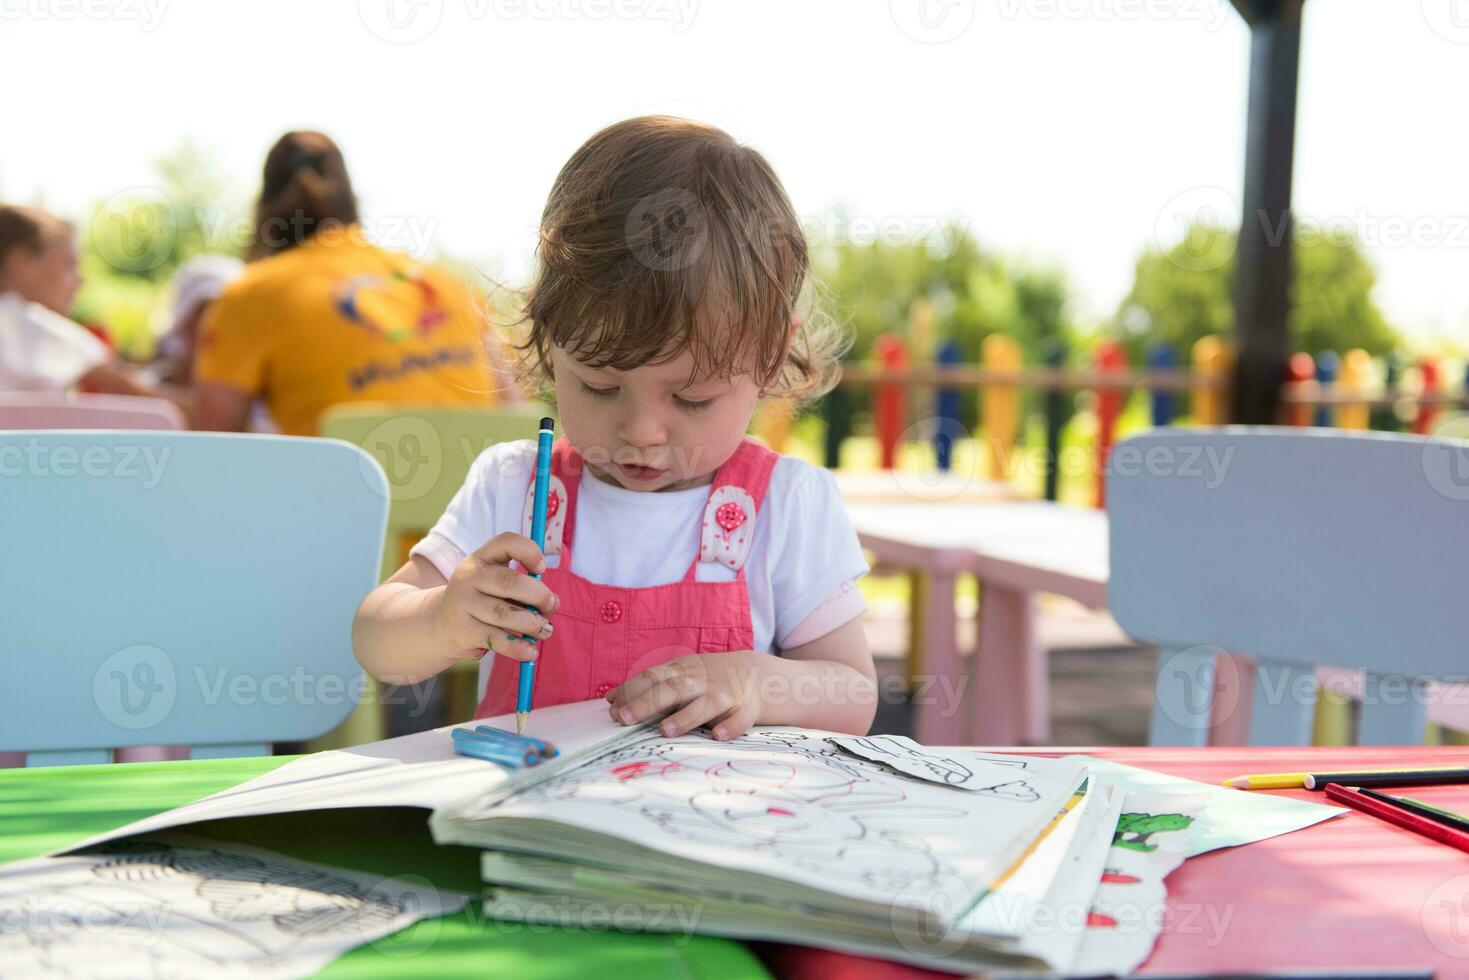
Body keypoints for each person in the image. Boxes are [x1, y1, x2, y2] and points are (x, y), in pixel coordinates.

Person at [353, 116, 876, 740]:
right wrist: (440, 620)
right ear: (550, 341)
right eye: (600, 386)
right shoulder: (516, 487)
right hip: (524, 819)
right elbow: (375, 636)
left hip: (704, 826)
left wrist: (756, 680)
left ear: (768, 356)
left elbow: (853, 692)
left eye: (693, 398)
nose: (643, 431)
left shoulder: (787, 506)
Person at [192, 131, 513, 436]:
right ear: (351, 198)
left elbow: (213, 447)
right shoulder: (448, 283)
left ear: (263, 207)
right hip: (474, 491)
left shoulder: (247, 295)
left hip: (342, 493)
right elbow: (513, 415)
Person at [0, 205, 155, 395]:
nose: (82, 280)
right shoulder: (28, 323)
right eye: (69, 265)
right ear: (21, 264)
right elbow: (140, 391)